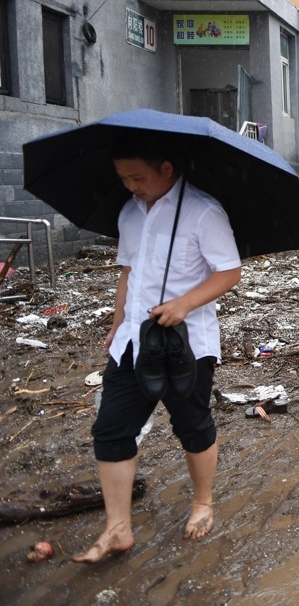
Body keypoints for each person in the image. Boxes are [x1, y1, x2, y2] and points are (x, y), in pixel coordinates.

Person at [73, 148, 242, 563]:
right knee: (111, 429)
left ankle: (202, 501)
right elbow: (128, 273)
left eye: (137, 177)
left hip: (187, 344)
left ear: (167, 168)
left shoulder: (203, 211)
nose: (131, 186)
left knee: (192, 424)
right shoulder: (130, 213)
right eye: (123, 178)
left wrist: (184, 303)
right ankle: (117, 527)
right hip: (133, 341)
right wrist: (118, 324)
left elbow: (229, 271)